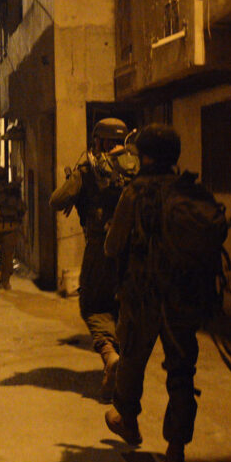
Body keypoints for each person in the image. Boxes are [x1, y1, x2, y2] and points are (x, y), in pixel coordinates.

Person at [102, 124, 200, 462]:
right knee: (181, 372)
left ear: (144, 156)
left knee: (132, 359)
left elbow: (112, 247)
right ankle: (176, 450)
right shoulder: (189, 190)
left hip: (142, 296)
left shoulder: (135, 192)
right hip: (182, 298)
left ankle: (128, 421)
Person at [49, 118, 139, 401]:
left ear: (99, 141)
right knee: (125, 309)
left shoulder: (90, 168)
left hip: (101, 249)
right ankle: (124, 376)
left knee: (94, 306)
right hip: (136, 252)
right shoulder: (138, 165)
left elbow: (56, 200)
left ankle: (110, 357)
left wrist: (78, 181)